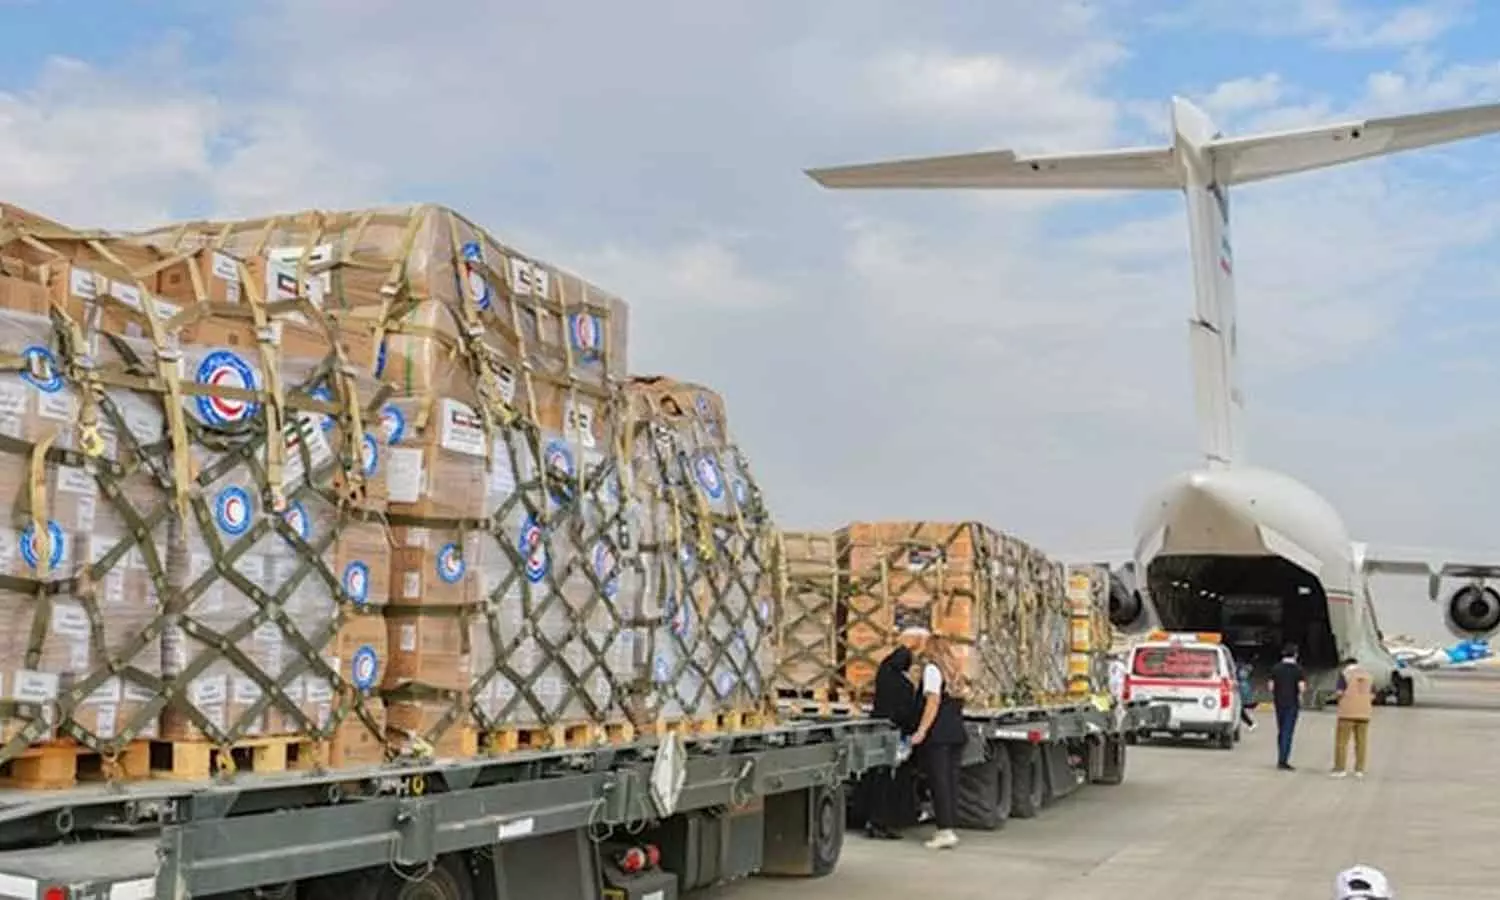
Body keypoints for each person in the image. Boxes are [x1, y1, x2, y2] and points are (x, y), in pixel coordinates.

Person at [912, 633, 968, 850]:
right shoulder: (955, 674)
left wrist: (921, 730)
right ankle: (949, 826)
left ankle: (944, 830)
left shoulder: (932, 671)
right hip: (956, 733)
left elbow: (933, 702)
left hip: (939, 735)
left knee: (939, 782)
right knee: (951, 781)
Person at [864, 645, 919, 838]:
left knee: (876, 775)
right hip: (894, 733)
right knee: (890, 778)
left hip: (876, 729)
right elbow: (907, 713)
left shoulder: (883, 676)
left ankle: (871, 818)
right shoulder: (905, 686)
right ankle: (882, 821)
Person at [1331, 657, 1374, 778]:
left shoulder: (1345, 674)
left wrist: (1338, 699)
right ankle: (1359, 769)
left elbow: (1339, 692)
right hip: (1364, 712)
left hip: (1347, 712)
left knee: (1342, 742)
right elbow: (1373, 694)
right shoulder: (1368, 675)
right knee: (1361, 742)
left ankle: (1340, 768)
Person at [1268, 643, 1306, 770]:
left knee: (1281, 730)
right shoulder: (1298, 669)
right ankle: (1283, 760)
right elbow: (1301, 688)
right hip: (1292, 703)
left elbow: (1271, 687)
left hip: (1279, 702)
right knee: (1287, 731)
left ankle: (1281, 756)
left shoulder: (1276, 668)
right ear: (1295, 654)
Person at [1235, 660, 1257, 731]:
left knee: (1240, 709)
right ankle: (1250, 723)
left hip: (1242, 690)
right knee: (1241, 709)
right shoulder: (1243, 671)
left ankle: (1250, 723)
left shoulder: (1242, 673)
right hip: (1242, 689)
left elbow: (1242, 677)